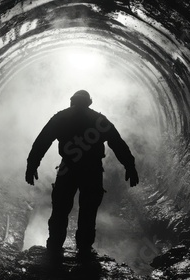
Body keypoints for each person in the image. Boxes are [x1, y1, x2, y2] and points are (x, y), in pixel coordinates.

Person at [25, 90, 139, 261]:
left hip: (67, 169)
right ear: (89, 103)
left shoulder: (61, 117)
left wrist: (32, 165)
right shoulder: (98, 120)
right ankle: (84, 250)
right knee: (88, 211)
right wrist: (130, 166)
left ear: (72, 101)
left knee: (60, 209)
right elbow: (117, 143)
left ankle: (55, 247)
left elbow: (42, 141)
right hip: (91, 170)